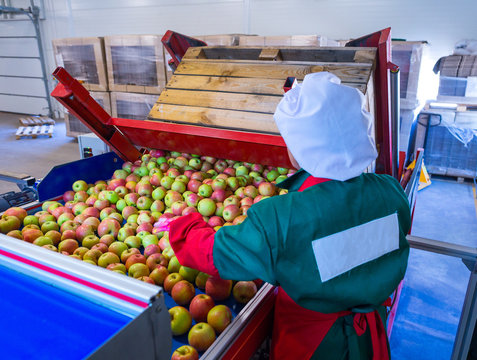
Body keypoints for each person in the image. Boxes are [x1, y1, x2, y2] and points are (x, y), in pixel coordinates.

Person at [169, 72, 411, 360]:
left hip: (313, 344)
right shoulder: (391, 193)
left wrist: (182, 222)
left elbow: (213, 255)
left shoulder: (282, 218)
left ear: (301, 149)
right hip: (370, 336)